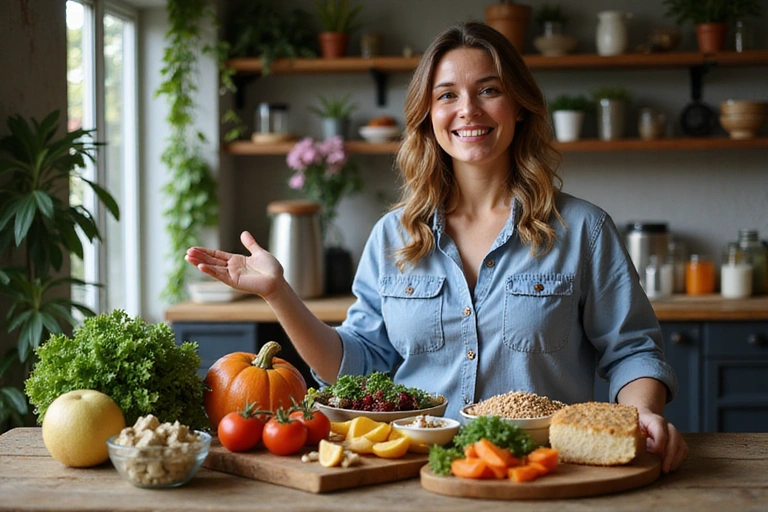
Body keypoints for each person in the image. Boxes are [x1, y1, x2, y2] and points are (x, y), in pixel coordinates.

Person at [186, 21, 688, 472]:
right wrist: (278, 293)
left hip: (541, 472)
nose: (468, 109)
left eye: (488, 89)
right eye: (447, 95)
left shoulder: (583, 230)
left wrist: (643, 412)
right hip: (417, 472)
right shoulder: (394, 236)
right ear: (427, 115)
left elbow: (632, 351)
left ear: (518, 105)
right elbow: (357, 364)